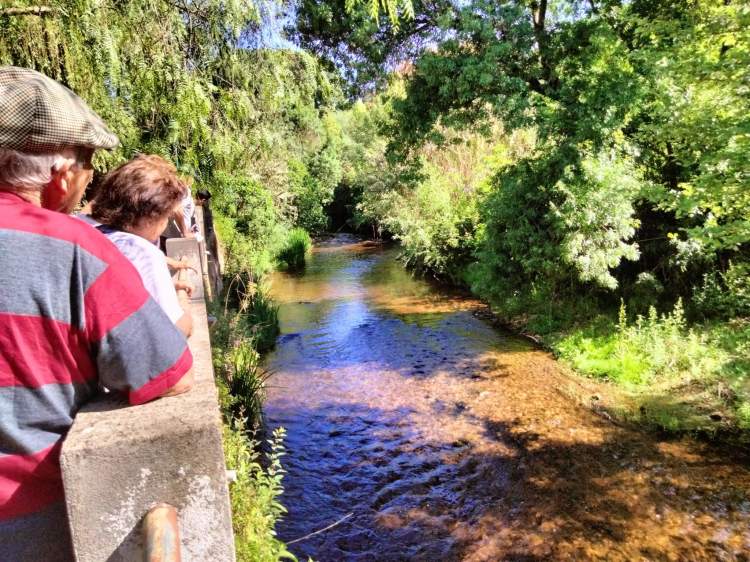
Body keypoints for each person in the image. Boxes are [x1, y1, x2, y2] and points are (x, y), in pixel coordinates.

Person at [0, 66, 194, 561]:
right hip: (27, 525)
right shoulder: (72, 248)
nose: (90, 180)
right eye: (89, 164)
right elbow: (167, 374)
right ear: (62, 173)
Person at [86, 154, 195, 337]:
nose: (165, 224)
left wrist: (167, 286)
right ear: (150, 217)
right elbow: (178, 330)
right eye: (166, 217)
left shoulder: (82, 230)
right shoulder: (142, 253)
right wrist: (183, 301)